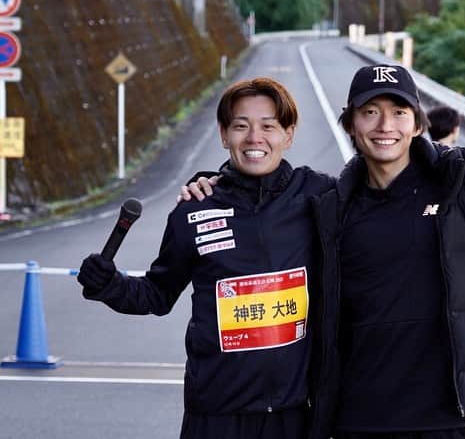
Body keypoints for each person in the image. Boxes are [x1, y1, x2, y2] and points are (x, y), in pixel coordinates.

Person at [181, 64, 465, 439]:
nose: (385, 126)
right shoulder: (330, 205)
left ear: (417, 125)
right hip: (357, 417)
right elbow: (265, 209)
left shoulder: (457, 190)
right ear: (350, 125)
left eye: (399, 113)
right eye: (370, 113)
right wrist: (214, 187)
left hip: (444, 415)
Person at [76, 77, 335, 439]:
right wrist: (108, 284)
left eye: (269, 126)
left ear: (288, 135)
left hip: (294, 412)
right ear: (223, 134)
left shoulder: (319, 196)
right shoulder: (194, 211)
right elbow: (157, 294)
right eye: (241, 126)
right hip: (215, 413)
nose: (254, 138)